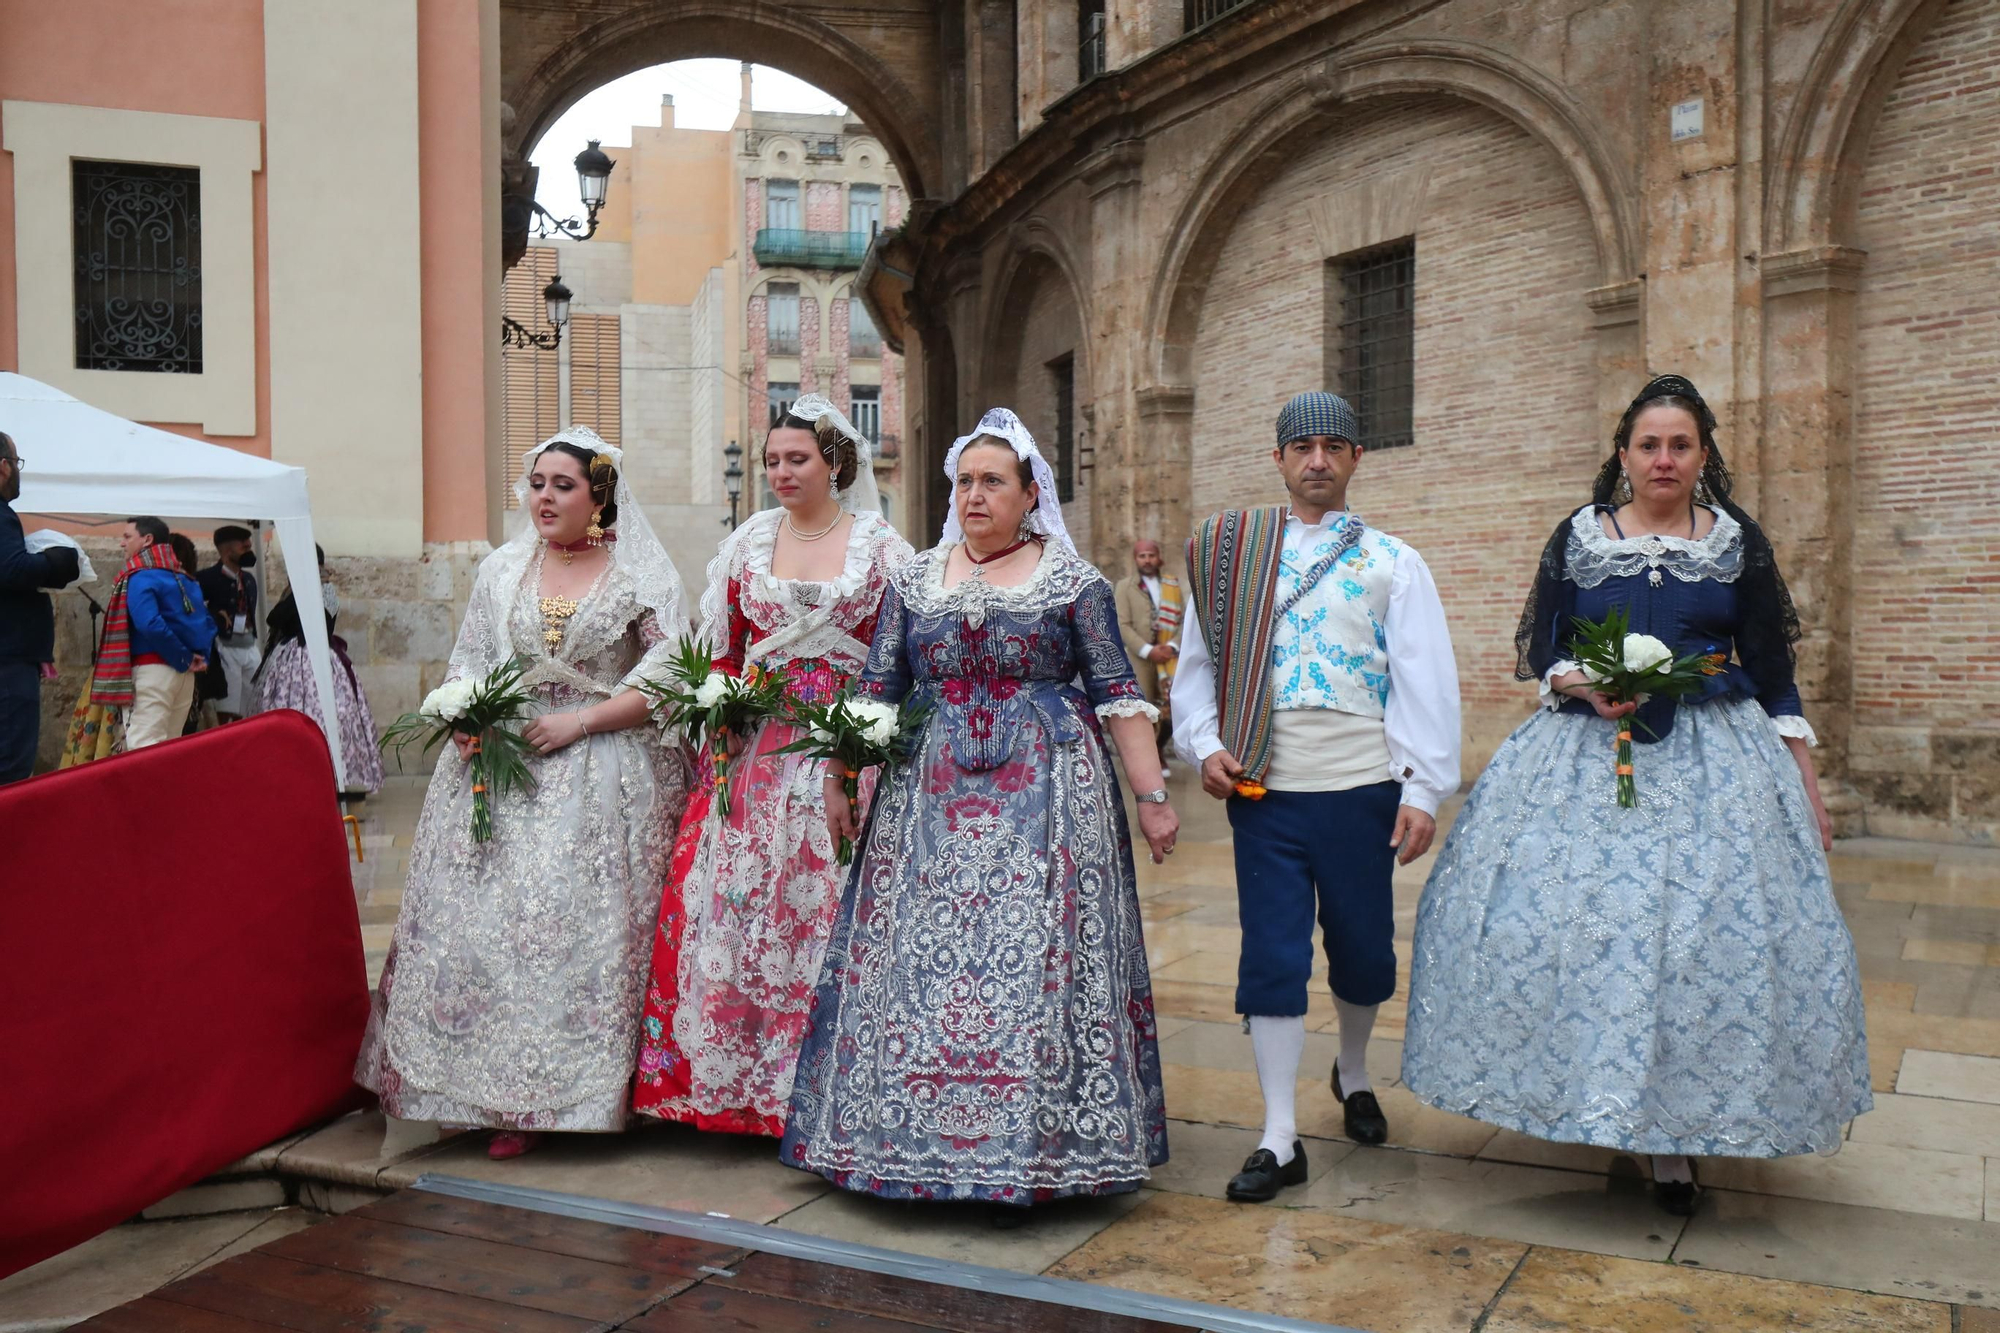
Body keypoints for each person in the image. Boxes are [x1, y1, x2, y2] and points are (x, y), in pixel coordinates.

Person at [1400, 374, 1870, 1217]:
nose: (1664, 459)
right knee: (1581, 935)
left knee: (1698, 946)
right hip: (1585, 756)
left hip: (1714, 766)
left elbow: (1774, 672)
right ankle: (1592, 1090)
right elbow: (1543, 646)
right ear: (1624, 455)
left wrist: (1805, 779)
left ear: (1702, 456)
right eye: (1649, 445)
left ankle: (1675, 1136)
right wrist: (1582, 683)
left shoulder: (1736, 543)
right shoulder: (1580, 538)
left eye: (1680, 445)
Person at [782, 408, 1176, 1225]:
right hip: (925, 800)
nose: (973, 495)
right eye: (963, 481)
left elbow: (1118, 695)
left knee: (1035, 964)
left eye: (993, 481)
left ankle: (1037, 1148)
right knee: (919, 964)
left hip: (1049, 803)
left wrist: (1152, 796)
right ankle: (898, 1140)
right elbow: (877, 689)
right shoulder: (917, 580)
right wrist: (840, 773)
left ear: (1031, 495)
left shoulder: (1073, 582)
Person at [355, 427, 693, 1160]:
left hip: (600, 774)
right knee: (487, 930)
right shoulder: (503, 568)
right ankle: (475, 1092)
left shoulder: (640, 573)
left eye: (562, 484)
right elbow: (469, 658)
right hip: (501, 771)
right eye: (537, 482)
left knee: (569, 931)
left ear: (598, 494)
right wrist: (465, 721)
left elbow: (674, 674)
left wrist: (584, 720)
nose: (544, 496)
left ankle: (566, 1099)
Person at [1173, 391, 1460, 1203]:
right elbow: (1196, 668)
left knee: (1365, 952)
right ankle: (1277, 1134)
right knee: (1272, 958)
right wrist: (1204, 742)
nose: (1318, 460)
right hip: (1266, 789)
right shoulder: (1233, 556)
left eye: (1335, 445)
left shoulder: (1393, 560)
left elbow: (1423, 680)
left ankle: (1355, 1071)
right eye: (1302, 446)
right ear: (1278, 459)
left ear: (1356, 458)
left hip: (1362, 786)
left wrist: (1425, 787)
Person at [633, 395, 913, 1136]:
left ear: (835, 463)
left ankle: (827, 1085)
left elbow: (897, 656)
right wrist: (719, 707)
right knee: (737, 914)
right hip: (754, 753)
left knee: (827, 915)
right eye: (772, 461)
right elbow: (724, 646)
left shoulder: (883, 549)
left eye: (797, 459)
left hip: (844, 752)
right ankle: (734, 1085)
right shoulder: (749, 541)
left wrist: (861, 743)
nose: (781, 472)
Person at [252, 544, 386, 799]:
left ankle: (332, 776)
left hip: (308, 658)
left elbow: (276, 617)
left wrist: (294, 591)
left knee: (320, 715)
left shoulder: (315, 590)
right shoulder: (319, 589)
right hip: (309, 656)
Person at [0, 432, 80, 783]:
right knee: (11, 768)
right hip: (7, 659)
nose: (18, 471)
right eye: (16, 463)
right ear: (3, 468)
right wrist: (57, 562)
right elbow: (11, 568)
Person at [95, 517, 213, 751]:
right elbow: (206, 624)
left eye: (127, 537)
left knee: (142, 747)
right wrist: (196, 658)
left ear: (147, 540)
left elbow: (149, 624)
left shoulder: (140, 576)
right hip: (184, 677)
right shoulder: (184, 578)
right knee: (169, 748)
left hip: (152, 672)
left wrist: (183, 657)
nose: (121, 543)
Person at [1113, 538, 1183, 779]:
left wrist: (1173, 645)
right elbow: (1122, 624)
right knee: (1145, 709)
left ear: (1158, 556)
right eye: (1142, 556)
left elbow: (1185, 620)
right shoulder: (1124, 586)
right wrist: (1147, 650)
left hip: (1170, 656)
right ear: (1136, 559)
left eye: (1151, 555)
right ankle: (1150, 758)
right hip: (1140, 659)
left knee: (1173, 706)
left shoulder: (1172, 584)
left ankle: (1159, 748)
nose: (1147, 560)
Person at [196, 525, 261, 722]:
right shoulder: (206, 578)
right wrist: (213, 615)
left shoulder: (249, 579)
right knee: (227, 703)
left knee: (253, 700)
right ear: (227, 551)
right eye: (244, 548)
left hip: (249, 645)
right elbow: (192, 609)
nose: (248, 551)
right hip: (224, 647)